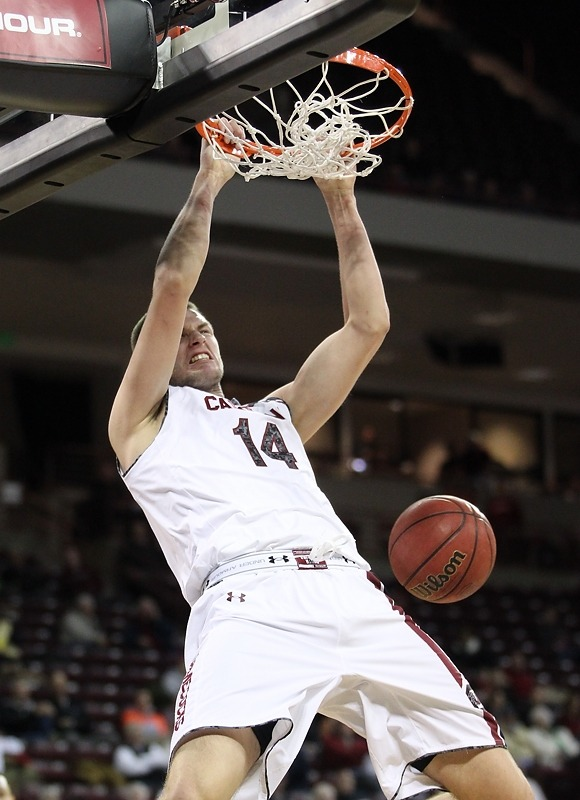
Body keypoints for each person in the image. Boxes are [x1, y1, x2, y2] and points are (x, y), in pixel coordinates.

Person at [108, 124, 534, 800]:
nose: (197, 333)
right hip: (250, 602)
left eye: (205, 326)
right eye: (181, 331)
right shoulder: (144, 422)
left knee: (508, 790)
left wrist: (340, 197)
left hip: (351, 589)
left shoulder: (275, 416)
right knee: (194, 791)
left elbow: (368, 326)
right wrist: (210, 178)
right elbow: (169, 283)